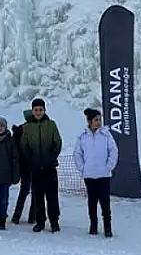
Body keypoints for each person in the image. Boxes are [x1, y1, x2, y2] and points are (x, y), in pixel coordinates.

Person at [73, 108, 119, 237]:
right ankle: (93, 225)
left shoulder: (106, 135)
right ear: (89, 121)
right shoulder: (82, 136)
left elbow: (113, 151)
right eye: (96, 120)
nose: (98, 122)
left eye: (100, 120)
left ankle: (107, 227)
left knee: (105, 202)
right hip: (89, 175)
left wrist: (109, 166)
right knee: (92, 202)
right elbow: (77, 154)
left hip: (103, 175)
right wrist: (83, 168)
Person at [19, 98, 62, 233]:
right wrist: (31, 160)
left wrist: (51, 157)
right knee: (37, 196)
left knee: (52, 196)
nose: (38, 112)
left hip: (49, 167)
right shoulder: (27, 127)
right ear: (32, 111)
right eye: (36, 110)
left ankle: (54, 222)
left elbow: (58, 143)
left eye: (40, 110)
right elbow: (23, 146)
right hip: (35, 168)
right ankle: (40, 221)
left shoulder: (51, 125)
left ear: (44, 110)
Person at [10, 109, 35, 225]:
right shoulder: (37, 129)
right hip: (34, 164)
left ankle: (17, 215)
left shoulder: (20, 129)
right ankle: (32, 216)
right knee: (35, 191)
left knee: (24, 191)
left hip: (24, 164)